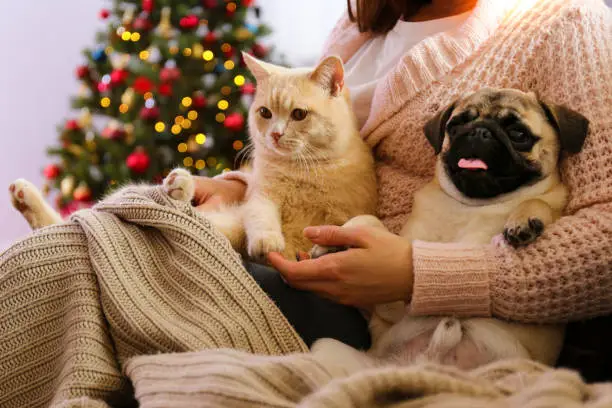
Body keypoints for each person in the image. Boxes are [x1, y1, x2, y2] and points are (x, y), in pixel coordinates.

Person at [194, 0, 612, 380]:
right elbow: (322, 151)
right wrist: (238, 187)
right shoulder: (359, 24)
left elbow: (605, 241)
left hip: (378, 316)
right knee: (147, 216)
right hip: (304, 253)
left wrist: (419, 276)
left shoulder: (566, 25)